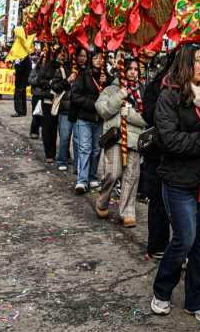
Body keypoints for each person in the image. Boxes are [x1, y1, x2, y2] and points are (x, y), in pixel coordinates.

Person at [150, 44, 200, 325]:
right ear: (185, 63)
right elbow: (168, 139)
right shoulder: (169, 95)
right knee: (185, 238)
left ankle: (197, 299)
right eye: (198, 61)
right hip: (179, 180)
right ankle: (162, 289)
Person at [95, 57, 145, 226]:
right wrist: (120, 96)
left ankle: (127, 212)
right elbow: (103, 110)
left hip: (135, 139)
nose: (133, 72)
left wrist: (129, 114)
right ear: (122, 71)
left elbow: (146, 118)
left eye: (136, 69)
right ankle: (102, 200)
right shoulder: (110, 89)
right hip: (116, 138)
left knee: (131, 176)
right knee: (113, 173)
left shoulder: (142, 91)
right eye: (130, 69)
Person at [141, 53, 174, 259]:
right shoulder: (156, 87)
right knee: (158, 200)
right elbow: (149, 114)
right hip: (157, 153)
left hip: (181, 156)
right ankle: (157, 244)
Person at [69, 49, 106, 194]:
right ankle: (82, 180)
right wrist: (93, 104)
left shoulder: (106, 76)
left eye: (101, 58)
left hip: (99, 119)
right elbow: (75, 96)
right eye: (96, 58)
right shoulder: (83, 75)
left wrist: (107, 81)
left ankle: (92, 176)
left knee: (96, 149)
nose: (98, 60)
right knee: (85, 148)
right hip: (84, 118)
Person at [53, 49, 78, 171]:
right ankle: (62, 160)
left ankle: (78, 165)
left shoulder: (85, 71)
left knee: (78, 141)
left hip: (79, 110)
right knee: (64, 137)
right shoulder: (62, 70)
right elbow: (55, 87)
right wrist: (68, 81)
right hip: (65, 110)